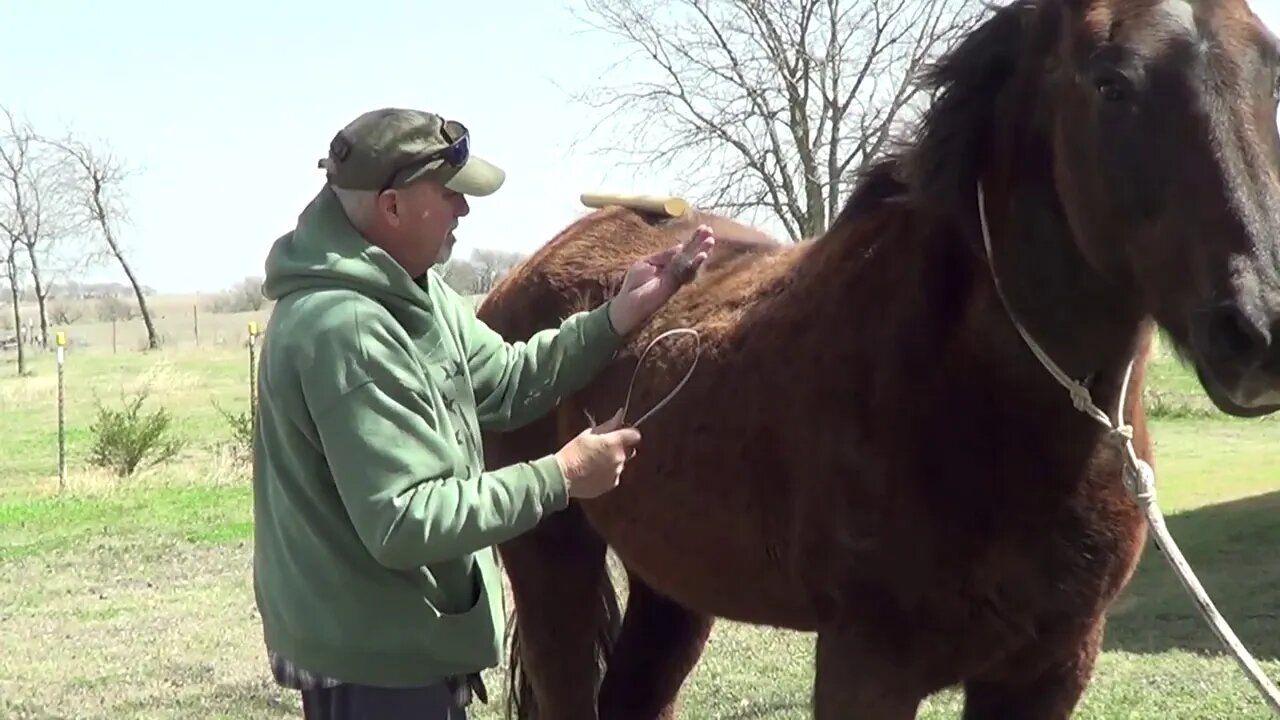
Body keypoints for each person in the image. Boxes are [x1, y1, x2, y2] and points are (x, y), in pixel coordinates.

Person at [250, 106, 714, 720]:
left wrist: (619, 315)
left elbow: (506, 381)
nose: (464, 211)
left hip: (395, 638)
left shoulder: (411, 289)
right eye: (449, 195)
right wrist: (564, 475)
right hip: (376, 662)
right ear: (391, 208)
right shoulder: (351, 329)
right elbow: (407, 520)